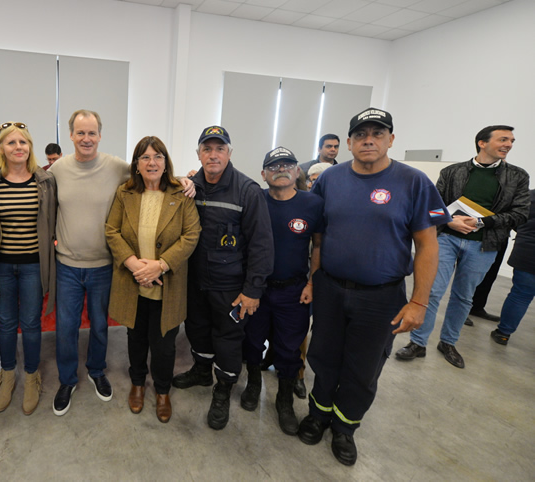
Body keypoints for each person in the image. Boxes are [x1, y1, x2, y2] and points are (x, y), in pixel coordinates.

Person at [299, 107, 448, 466]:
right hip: (331, 289)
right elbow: (319, 237)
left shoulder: (413, 182)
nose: (369, 139)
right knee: (324, 355)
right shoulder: (330, 180)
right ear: (348, 142)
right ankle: (319, 415)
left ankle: (346, 426)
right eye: (361, 134)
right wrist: (314, 279)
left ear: (391, 139)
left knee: (363, 366)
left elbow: (428, 246)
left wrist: (419, 303)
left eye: (378, 133)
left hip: (381, 295)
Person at [48, 109, 195, 416]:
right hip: (74, 266)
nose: (86, 138)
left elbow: (188, 230)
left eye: (92, 132)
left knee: (106, 327)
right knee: (68, 328)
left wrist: (185, 178)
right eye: (80, 132)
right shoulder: (57, 170)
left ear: (100, 135)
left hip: (109, 267)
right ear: (71, 135)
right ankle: (68, 381)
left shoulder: (121, 170)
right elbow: (112, 228)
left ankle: (102, 372)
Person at [396, 125, 530, 368]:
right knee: (433, 291)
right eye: (503, 139)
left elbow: (520, 213)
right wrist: (450, 220)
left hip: (485, 245)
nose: (509, 144)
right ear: (482, 142)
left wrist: (482, 221)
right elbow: (432, 206)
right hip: (446, 239)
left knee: (463, 296)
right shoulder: (452, 172)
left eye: (511, 141)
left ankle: (448, 342)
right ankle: (418, 342)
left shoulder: (518, 176)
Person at [172, 125, 272, 431]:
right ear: (199, 153)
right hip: (196, 281)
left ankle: (223, 388)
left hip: (230, 285)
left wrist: (253, 290)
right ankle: (202, 370)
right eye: (207, 148)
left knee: (228, 340)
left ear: (229, 153)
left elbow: (261, 244)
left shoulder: (247, 190)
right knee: (197, 329)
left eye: (219, 149)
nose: (213, 154)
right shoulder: (191, 186)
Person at [106, 136, 200, 423]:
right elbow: (112, 231)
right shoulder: (125, 193)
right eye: (145, 157)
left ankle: (162, 391)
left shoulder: (180, 194)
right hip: (134, 283)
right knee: (135, 339)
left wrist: (160, 265)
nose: (152, 162)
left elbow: (191, 235)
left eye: (157, 156)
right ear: (136, 164)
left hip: (167, 285)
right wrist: (136, 266)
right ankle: (137, 384)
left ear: (165, 162)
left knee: (164, 345)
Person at [0, 122, 56, 416]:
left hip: (34, 265)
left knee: (32, 324)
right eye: (11, 143)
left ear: (30, 147)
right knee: (6, 323)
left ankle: (31, 376)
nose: (18, 147)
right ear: (1, 148)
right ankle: (8, 375)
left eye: (23, 142)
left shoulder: (45, 181)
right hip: (1, 266)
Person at [241, 146, 323, 435]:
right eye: (273, 166)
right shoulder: (255, 200)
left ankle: (284, 400)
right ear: (263, 175)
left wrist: (312, 283)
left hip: (294, 290)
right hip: (256, 290)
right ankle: (252, 384)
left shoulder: (312, 204)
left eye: (288, 164)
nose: (281, 170)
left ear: (297, 171)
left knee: (289, 349)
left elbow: (318, 246)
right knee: (252, 341)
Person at [491, 189, 535, 345]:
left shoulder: (529, 197)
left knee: (520, 295)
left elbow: (516, 220)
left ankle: (503, 333)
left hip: (527, 253)